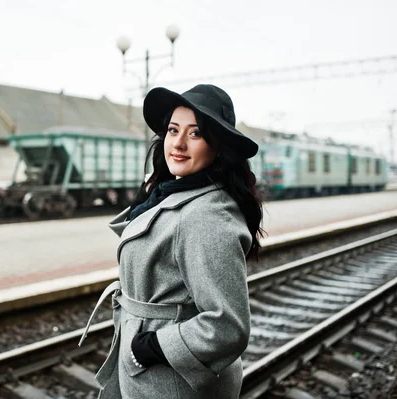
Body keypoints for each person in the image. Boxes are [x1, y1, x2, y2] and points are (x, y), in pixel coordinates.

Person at [79, 84, 264, 399]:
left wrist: (151, 347)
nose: (177, 143)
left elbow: (228, 326)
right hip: (155, 377)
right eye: (172, 130)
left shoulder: (206, 217)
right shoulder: (178, 194)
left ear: (218, 146)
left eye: (194, 134)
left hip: (170, 381)